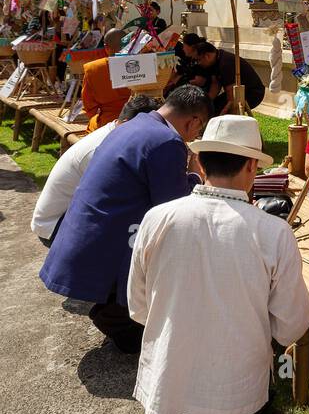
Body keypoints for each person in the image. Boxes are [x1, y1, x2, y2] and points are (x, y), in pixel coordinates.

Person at [128, 115, 309, 414]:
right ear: (251, 166)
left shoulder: (156, 218)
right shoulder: (273, 232)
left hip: (167, 389)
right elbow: (292, 324)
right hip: (241, 400)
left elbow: (139, 307)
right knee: (243, 411)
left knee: (200, 404)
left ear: (199, 163)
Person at [39, 85, 212, 354]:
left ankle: (116, 311)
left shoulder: (134, 124)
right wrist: (196, 176)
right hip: (109, 240)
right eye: (198, 131)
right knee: (181, 243)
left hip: (82, 231)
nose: (194, 137)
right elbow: (174, 206)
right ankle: (117, 316)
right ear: (193, 121)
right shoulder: (167, 141)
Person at [31, 96, 162, 246]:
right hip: (54, 224)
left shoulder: (114, 134)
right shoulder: (102, 148)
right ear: (128, 124)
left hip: (68, 215)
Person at [195, 40, 265, 115]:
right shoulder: (215, 61)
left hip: (252, 93)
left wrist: (223, 112)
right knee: (212, 106)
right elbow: (215, 85)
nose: (198, 63)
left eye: (199, 60)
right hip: (236, 92)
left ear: (207, 56)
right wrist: (206, 103)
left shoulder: (225, 63)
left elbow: (231, 93)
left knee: (216, 110)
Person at [81, 27, 131, 131]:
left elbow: (89, 105)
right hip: (137, 119)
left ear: (106, 47)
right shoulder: (140, 65)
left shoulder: (94, 68)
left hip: (107, 123)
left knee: (92, 123)